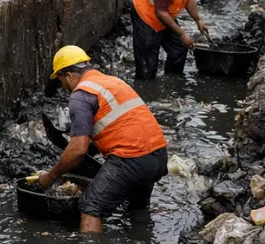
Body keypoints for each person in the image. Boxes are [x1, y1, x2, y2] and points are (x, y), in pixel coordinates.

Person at [35, 46, 169, 233]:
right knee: (137, 207)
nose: (64, 88)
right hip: (159, 156)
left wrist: (50, 177)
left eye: (61, 81)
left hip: (132, 158)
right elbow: (119, 125)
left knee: (90, 206)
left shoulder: (80, 95)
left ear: (69, 76)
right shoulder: (112, 82)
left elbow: (77, 150)